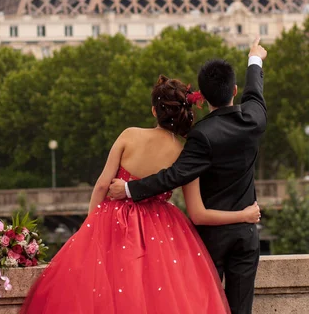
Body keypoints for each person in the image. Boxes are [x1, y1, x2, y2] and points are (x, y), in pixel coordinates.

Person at [21, 74, 261, 314]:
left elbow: (102, 185)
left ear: (155, 111)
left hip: (114, 224)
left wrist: (90, 225)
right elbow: (198, 214)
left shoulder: (129, 135)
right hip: (164, 232)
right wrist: (244, 215)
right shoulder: (185, 152)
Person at [109, 37, 267, 314]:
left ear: (202, 98)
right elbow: (255, 92)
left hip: (211, 239)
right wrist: (255, 58)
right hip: (246, 233)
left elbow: (173, 176)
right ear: (234, 90)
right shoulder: (254, 119)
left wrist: (130, 190)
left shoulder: (201, 135)